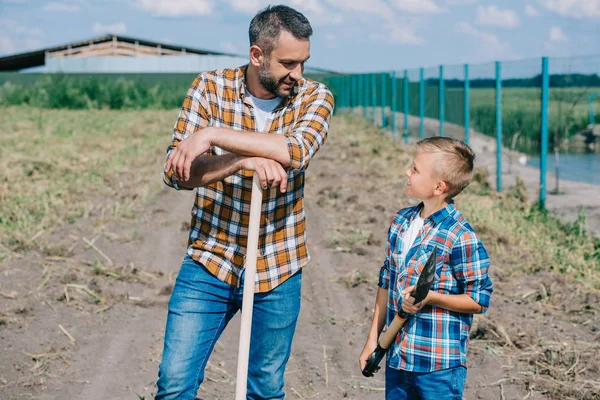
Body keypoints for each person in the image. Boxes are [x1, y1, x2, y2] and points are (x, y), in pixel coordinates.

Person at [155, 5, 334, 399]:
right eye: (288, 63)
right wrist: (244, 160)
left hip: (279, 265)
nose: (297, 74)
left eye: (303, 62)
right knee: (174, 384)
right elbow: (176, 172)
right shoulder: (209, 88)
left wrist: (212, 135)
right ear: (257, 55)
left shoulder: (315, 97)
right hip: (210, 260)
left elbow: (296, 149)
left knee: (266, 390)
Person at [359, 137, 493, 400]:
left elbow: (478, 300)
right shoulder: (401, 221)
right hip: (397, 358)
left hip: (437, 367)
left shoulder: (460, 236)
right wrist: (371, 342)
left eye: (415, 169)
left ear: (438, 186)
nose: (406, 172)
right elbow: (386, 283)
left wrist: (430, 298)